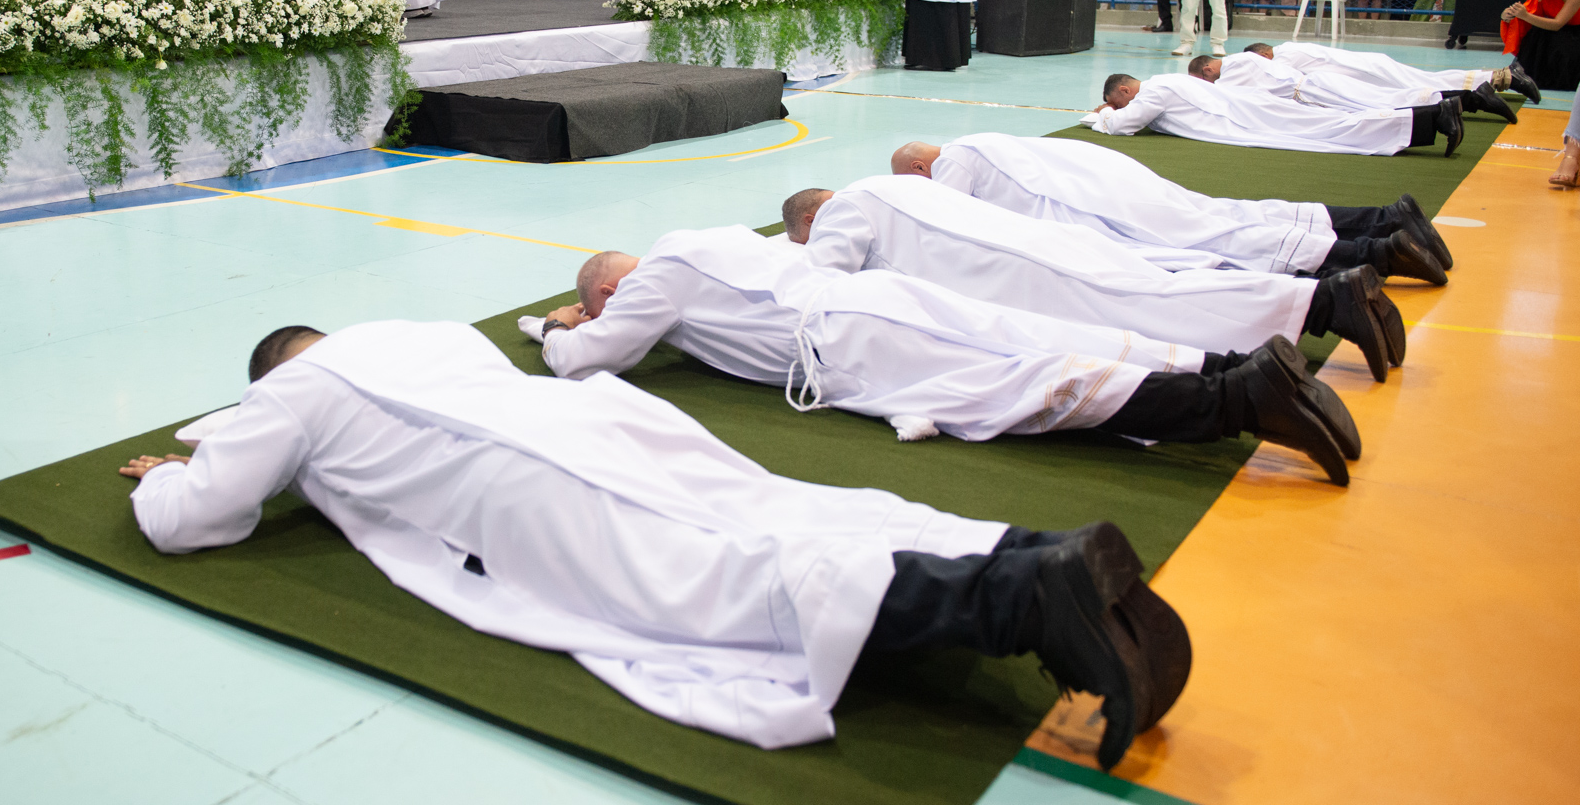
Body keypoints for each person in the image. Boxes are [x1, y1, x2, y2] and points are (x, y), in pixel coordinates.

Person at [126, 319, 1188, 767]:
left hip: (528, 478)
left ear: (270, 370)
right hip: (603, 420)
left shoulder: (291, 391)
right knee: (791, 506)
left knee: (713, 588)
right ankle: (1033, 549)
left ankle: (1021, 597)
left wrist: (178, 471)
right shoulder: (422, 330)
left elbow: (193, 522)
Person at [537, 228, 1360, 485]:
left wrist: (555, 328)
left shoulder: (650, 282)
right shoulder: (708, 240)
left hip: (853, 338)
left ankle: (1240, 400)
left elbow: (587, 362)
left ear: (609, 290)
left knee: (1019, 388)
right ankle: (1223, 367)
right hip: (875, 305)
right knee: (1041, 341)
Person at [786, 176, 1411, 370]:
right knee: (1155, 291)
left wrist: (789, 257)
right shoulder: (892, 183)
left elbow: (822, 272)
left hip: (1013, 273)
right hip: (1035, 248)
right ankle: (1319, 303)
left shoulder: (843, 211)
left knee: (1151, 303)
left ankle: (1327, 302)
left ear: (813, 217)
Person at [888, 133, 1455, 281]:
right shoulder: (983, 141)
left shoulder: (952, 162)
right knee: (1231, 216)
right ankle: (1384, 218)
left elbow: (943, 213)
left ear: (919, 167)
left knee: (1216, 239)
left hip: (1101, 206)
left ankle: (1377, 249)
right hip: (1114, 183)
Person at [1095, 70, 1462, 161]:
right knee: (1332, 127)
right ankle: (1431, 117)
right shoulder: (1167, 79)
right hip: (1254, 110)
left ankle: (1436, 114)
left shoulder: (1155, 90)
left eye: (1120, 100)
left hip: (1252, 116)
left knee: (1332, 129)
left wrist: (1104, 115)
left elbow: (1125, 125)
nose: (1122, 107)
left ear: (1126, 91)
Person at [1253, 38, 1534, 108]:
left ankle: (1502, 77)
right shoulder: (1287, 48)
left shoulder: (1283, 54)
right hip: (1368, 70)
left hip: (1370, 72)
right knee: (1425, 82)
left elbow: (1283, 79)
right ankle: (1501, 78)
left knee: (1426, 82)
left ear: (1264, 54)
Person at [1501, 0, 1580, 92]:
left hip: (1575, 34)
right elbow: (1525, 12)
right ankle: (1524, 76)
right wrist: (1507, 15)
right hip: (1558, 33)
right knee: (1535, 34)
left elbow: (1557, 24)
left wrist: (1524, 15)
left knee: (1560, 40)